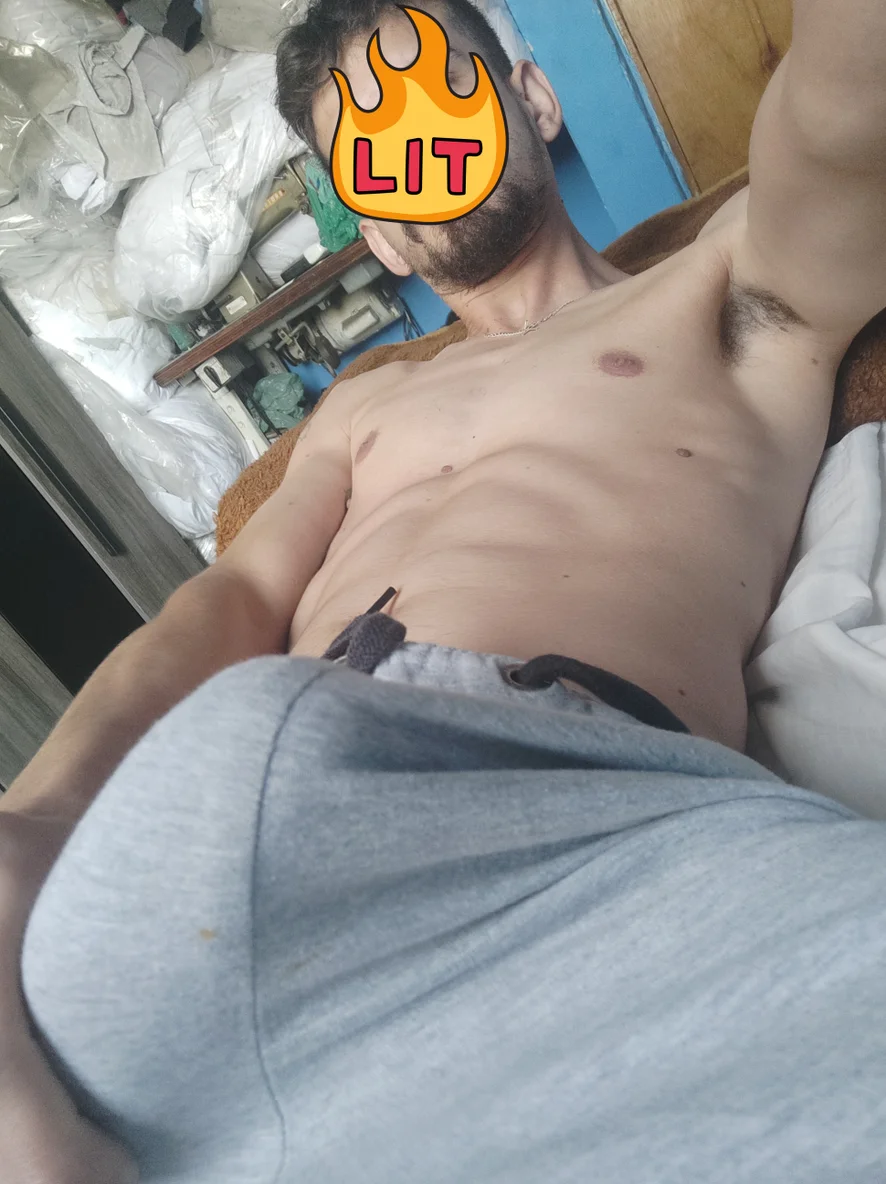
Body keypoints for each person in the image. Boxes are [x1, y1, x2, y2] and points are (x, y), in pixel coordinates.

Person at [3, 0, 886, 1180]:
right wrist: (38, 815)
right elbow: (229, 600)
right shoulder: (356, 407)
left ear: (533, 99)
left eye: (439, 96)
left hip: (589, 822)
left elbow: (844, 116)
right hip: (233, 825)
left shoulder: (727, 285)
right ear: (374, 230)